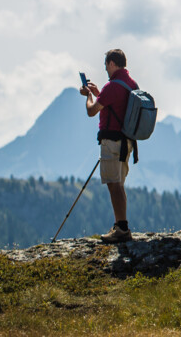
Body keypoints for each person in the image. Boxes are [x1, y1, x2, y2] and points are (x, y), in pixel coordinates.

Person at [80, 48, 138, 243]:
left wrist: (88, 96)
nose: (105, 69)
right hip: (126, 142)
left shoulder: (112, 86)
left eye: (106, 65)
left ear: (112, 63)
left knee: (114, 185)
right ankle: (121, 225)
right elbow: (115, 104)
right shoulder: (131, 83)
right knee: (119, 182)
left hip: (112, 142)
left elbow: (91, 111)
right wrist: (98, 92)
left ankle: (121, 228)